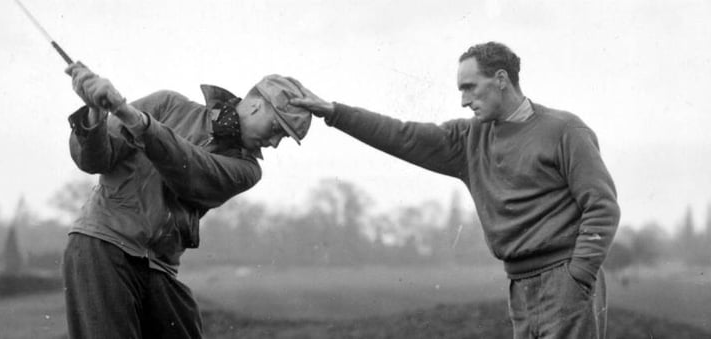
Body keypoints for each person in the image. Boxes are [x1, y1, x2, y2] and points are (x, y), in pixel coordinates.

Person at [289, 42, 620, 339]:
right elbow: (402, 135)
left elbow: (602, 205)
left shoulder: (564, 131)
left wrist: (579, 274)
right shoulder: (468, 140)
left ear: (502, 79)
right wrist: (334, 113)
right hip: (520, 285)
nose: (463, 101)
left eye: (470, 88)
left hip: (564, 280)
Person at [61, 62, 312, 339]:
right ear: (256, 106)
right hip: (102, 243)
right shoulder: (168, 105)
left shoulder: (247, 169)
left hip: (159, 266)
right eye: (277, 129)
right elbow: (94, 160)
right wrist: (96, 112)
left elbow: (190, 168)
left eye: (283, 138)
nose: (276, 143)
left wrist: (133, 118)